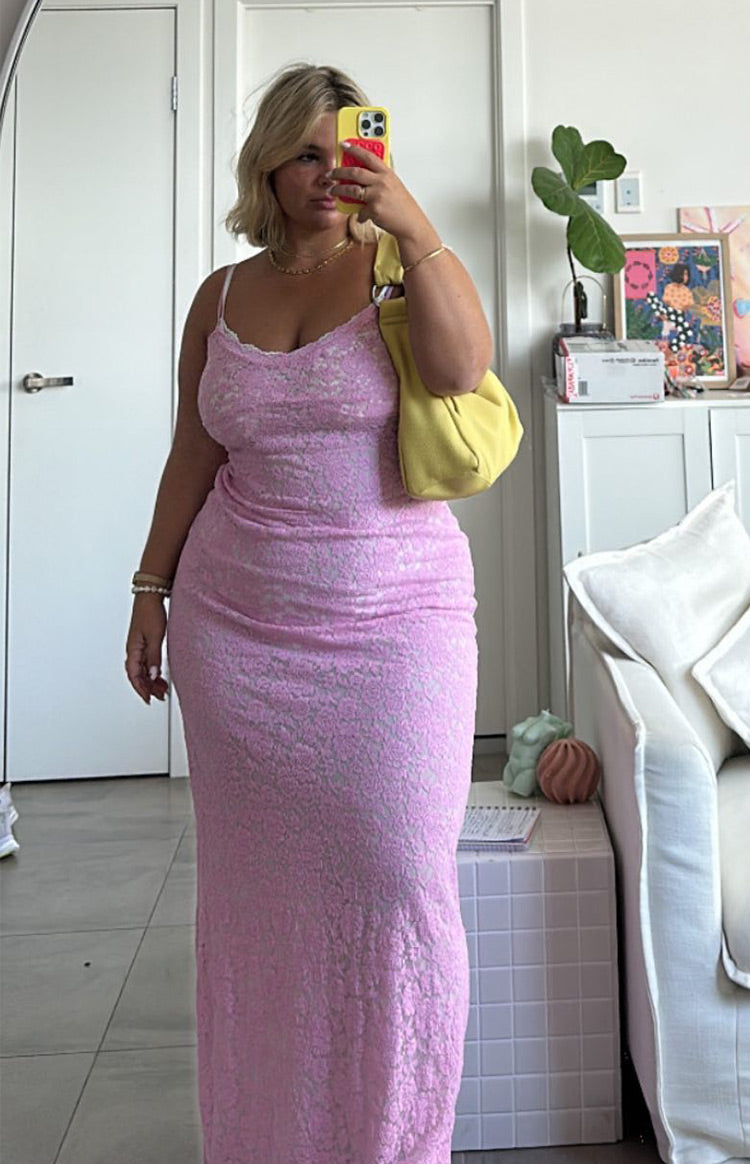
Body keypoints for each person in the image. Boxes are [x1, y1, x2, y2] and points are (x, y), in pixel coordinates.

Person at [125, 62, 493, 1164]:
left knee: (401, 878)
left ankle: (398, 1141)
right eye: (306, 155)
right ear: (268, 167)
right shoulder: (220, 297)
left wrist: (411, 222)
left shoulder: (398, 266)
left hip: (398, 624)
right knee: (257, 901)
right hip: (236, 629)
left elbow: (462, 369)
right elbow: (192, 452)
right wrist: (149, 591)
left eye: (350, 150)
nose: (331, 173)